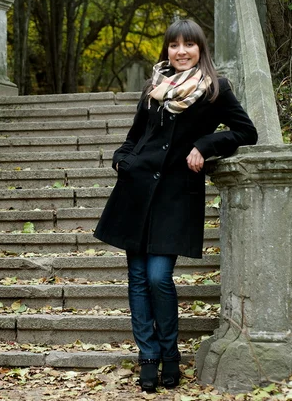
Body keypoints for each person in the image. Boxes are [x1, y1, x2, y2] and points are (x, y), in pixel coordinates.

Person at [93, 19, 258, 393]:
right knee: (137, 280)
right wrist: (122, 159)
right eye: (173, 45)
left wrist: (205, 144)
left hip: (174, 197)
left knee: (157, 277)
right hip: (136, 192)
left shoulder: (215, 89)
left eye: (189, 44)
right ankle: (148, 358)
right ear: (166, 49)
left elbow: (246, 131)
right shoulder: (154, 88)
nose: (181, 51)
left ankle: (170, 354)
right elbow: (135, 136)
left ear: (201, 49)